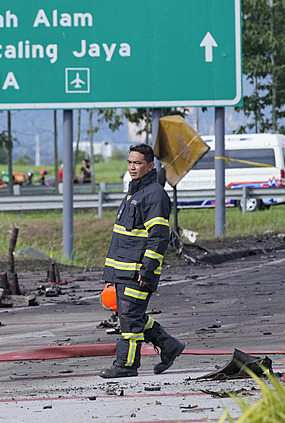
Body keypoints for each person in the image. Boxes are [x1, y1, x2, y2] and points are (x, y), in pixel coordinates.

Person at [100, 143, 184, 378]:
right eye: (129, 162)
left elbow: (158, 239)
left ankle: (126, 365)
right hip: (123, 270)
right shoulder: (134, 192)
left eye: (137, 163)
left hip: (137, 272)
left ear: (150, 166)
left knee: (129, 321)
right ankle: (169, 346)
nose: (132, 167)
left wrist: (148, 271)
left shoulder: (155, 196)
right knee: (133, 316)